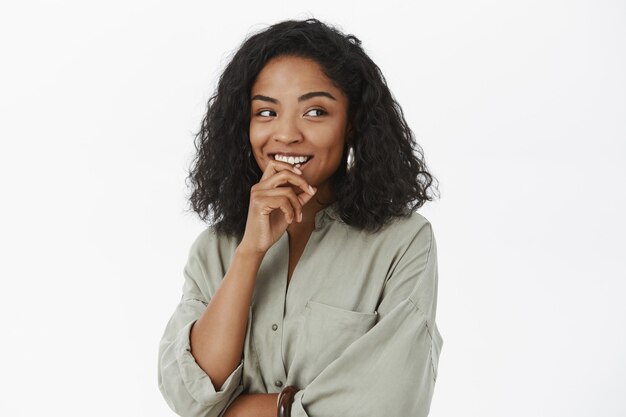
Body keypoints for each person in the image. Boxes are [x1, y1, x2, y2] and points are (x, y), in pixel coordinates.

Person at [158, 18, 443, 417]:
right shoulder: (216, 249)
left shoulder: (402, 242)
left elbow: (387, 401)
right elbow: (189, 396)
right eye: (266, 112)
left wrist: (259, 410)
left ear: (353, 122)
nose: (287, 134)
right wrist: (250, 253)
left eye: (314, 111)